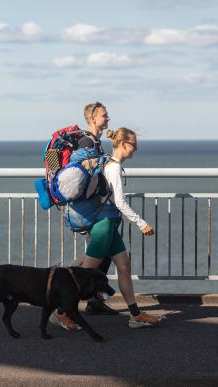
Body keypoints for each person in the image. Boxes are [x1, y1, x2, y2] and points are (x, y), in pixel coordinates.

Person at [52, 127, 161, 330]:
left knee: (124, 267)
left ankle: (135, 315)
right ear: (124, 144)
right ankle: (60, 312)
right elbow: (119, 202)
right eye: (134, 146)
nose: (135, 150)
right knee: (83, 274)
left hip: (108, 224)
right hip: (104, 225)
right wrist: (141, 223)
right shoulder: (114, 167)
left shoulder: (108, 163)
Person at [49, 102, 118, 332]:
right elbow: (80, 178)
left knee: (101, 255)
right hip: (87, 210)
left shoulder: (93, 142)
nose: (107, 116)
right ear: (92, 118)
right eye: (103, 114)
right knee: (93, 261)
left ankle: (94, 300)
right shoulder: (87, 142)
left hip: (92, 208)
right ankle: (63, 303)